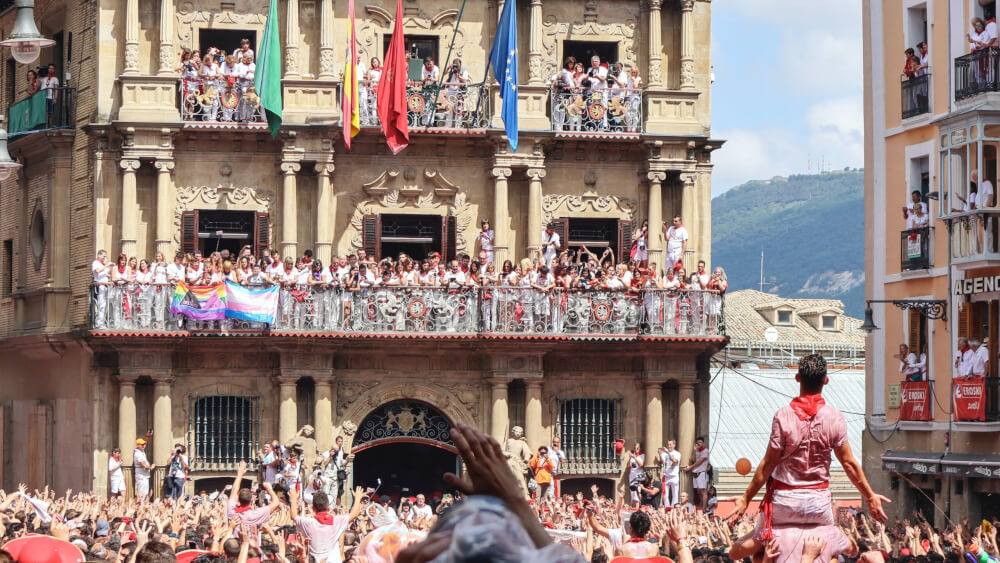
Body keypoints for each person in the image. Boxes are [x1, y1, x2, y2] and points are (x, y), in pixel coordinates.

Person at [726, 354, 890, 563]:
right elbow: (849, 463)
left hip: (784, 503)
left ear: (797, 378)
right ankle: (845, 544)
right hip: (818, 503)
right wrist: (869, 496)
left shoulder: (783, 416)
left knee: (748, 551)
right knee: (838, 544)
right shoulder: (835, 417)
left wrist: (746, 498)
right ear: (826, 380)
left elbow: (768, 464)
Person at [290, 483, 365, 563]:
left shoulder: (307, 523)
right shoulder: (337, 521)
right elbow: (354, 514)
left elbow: (294, 516)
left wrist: (293, 499)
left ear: (312, 508)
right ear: (328, 508)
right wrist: (357, 498)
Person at [226, 461, 281, 539]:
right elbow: (276, 503)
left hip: (234, 545)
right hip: (251, 548)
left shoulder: (232, 510)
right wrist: (270, 489)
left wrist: (240, 474)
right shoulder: (254, 514)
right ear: (251, 500)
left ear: (238, 499)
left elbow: (234, 491)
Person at [683, 436, 709, 508]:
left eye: (700, 442)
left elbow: (700, 461)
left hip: (701, 472)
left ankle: (704, 507)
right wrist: (694, 451)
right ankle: (700, 505)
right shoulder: (697, 451)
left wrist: (690, 467)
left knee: (703, 491)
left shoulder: (705, 451)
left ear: (703, 443)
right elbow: (693, 460)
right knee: (698, 491)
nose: (699, 444)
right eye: (697, 443)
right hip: (695, 473)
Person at [92, 250, 112, 328]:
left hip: (105, 286)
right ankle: (99, 323)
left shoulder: (102, 264)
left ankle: (103, 322)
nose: (104, 258)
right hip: (99, 286)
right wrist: (106, 265)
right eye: (104, 256)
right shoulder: (95, 263)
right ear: (99, 255)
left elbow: (107, 275)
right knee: (101, 305)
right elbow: (97, 271)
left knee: (105, 305)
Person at [659, 439, 681, 506]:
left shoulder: (677, 454)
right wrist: (660, 454)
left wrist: (668, 453)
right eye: (668, 445)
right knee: (665, 495)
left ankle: (674, 508)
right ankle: (667, 508)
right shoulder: (664, 454)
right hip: (666, 476)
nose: (669, 446)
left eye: (670, 445)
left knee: (675, 495)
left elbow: (674, 461)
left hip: (674, 476)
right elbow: (662, 462)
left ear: (674, 445)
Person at [133, 437, 154, 501]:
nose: (143, 445)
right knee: (142, 493)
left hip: (144, 475)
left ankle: (142, 507)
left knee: (145, 493)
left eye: (144, 444)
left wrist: (148, 435)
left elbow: (146, 441)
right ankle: (140, 508)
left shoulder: (141, 451)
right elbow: (143, 465)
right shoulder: (138, 454)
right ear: (138, 445)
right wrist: (151, 467)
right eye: (141, 444)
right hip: (141, 475)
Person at [626, 442, 645, 506]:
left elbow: (641, 465)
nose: (636, 449)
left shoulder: (642, 455)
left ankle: (638, 507)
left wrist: (635, 458)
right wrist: (630, 458)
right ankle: (634, 507)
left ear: (640, 449)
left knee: (637, 491)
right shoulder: (632, 456)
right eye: (635, 448)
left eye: (637, 448)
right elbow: (628, 466)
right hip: (632, 475)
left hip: (639, 475)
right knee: (632, 492)